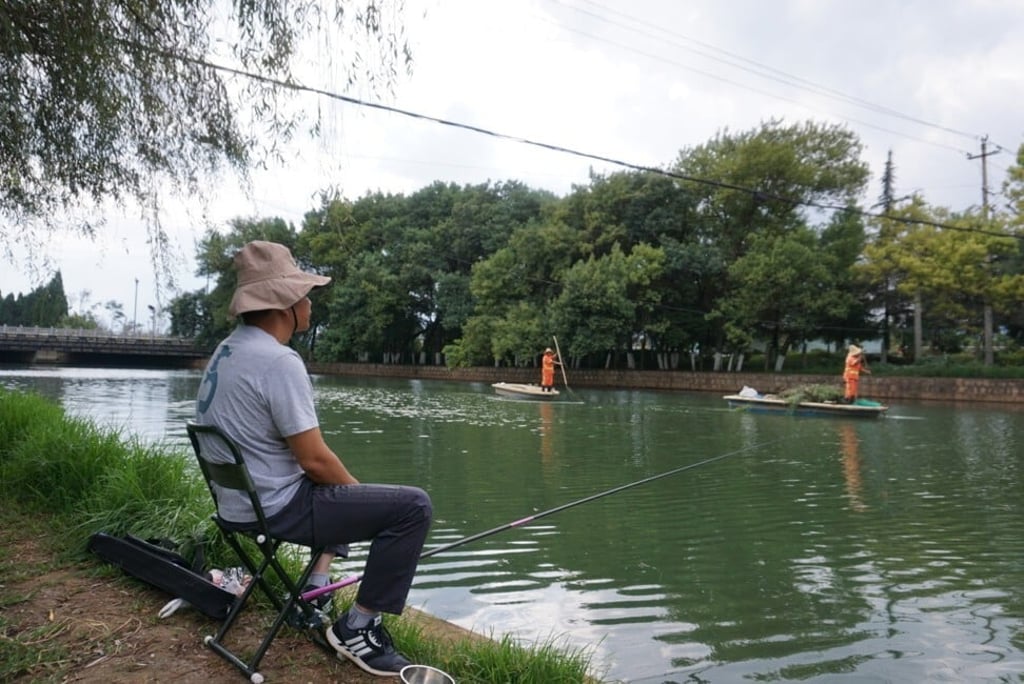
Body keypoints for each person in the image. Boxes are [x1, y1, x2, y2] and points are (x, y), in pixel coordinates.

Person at [194, 240, 432, 677]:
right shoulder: (278, 361)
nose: (309, 303)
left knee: (337, 483)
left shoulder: (227, 351)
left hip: (237, 504)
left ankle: (317, 585)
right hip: (274, 508)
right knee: (411, 507)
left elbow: (312, 462)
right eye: (305, 294)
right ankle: (358, 628)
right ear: (285, 303)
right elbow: (316, 464)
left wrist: (351, 497)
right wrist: (361, 502)